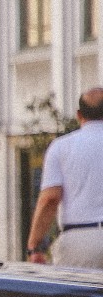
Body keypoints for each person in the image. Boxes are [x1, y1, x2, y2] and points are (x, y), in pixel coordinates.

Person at [28, 88, 103, 268]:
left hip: (80, 240)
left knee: (79, 295)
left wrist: (34, 245)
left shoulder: (61, 147)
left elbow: (50, 199)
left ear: (79, 115)